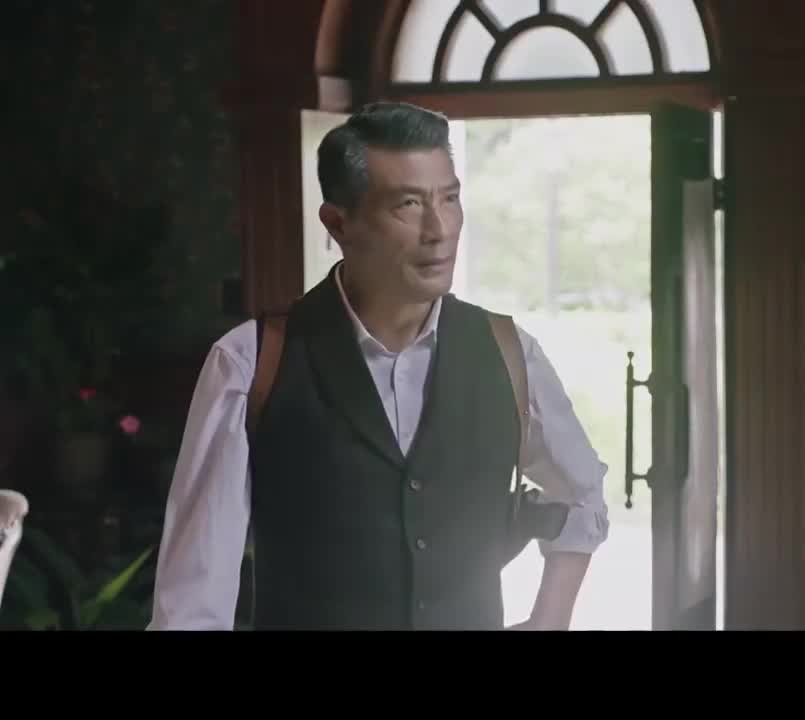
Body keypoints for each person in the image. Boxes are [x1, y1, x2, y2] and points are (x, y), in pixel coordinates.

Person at [149, 102, 609, 630]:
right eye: (408, 205)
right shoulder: (251, 362)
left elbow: (581, 494)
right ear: (338, 222)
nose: (439, 229)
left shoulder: (508, 352)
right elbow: (194, 596)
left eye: (450, 198)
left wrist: (550, 619)